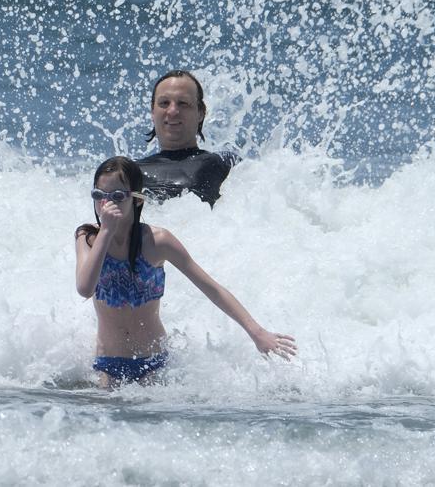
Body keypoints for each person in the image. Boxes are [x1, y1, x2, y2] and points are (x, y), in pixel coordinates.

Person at [74, 156, 296, 387]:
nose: (106, 205)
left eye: (117, 197)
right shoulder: (88, 238)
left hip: (153, 362)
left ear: (137, 200)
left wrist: (256, 332)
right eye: (99, 196)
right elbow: (84, 288)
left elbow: (212, 288)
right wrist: (106, 233)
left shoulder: (158, 241)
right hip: (106, 362)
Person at [137, 70, 239, 206]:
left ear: (201, 113)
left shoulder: (224, 164)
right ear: (152, 112)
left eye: (183, 103)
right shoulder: (130, 172)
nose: (172, 111)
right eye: (164, 103)